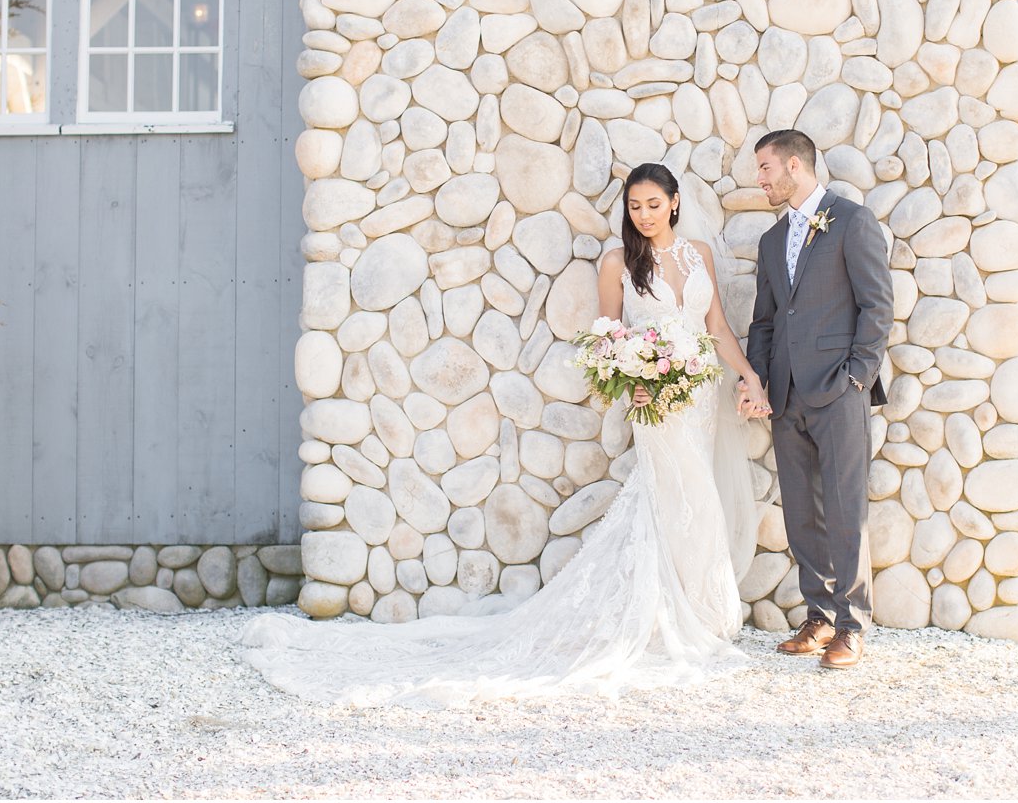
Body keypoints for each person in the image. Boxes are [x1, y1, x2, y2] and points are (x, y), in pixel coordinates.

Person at [239, 162, 763, 708]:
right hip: (651, 398)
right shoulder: (617, 263)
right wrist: (630, 379)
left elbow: (716, 329)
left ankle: (696, 609)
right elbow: (610, 336)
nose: (645, 215)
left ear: (675, 203)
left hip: (698, 397)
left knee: (697, 491)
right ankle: (669, 612)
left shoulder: (698, 255)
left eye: (654, 204)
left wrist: (747, 375)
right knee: (674, 492)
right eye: (635, 206)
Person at [739, 129, 893, 670]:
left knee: (847, 507)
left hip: (839, 390)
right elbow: (765, 322)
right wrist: (757, 382)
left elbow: (877, 307)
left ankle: (853, 625)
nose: (759, 178)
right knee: (803, 510)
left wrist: (857, 376)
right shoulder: (770, 240)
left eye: (764, 167)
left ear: (795, 167)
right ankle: (819, 615)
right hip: (785, 394)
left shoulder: (852, 221)